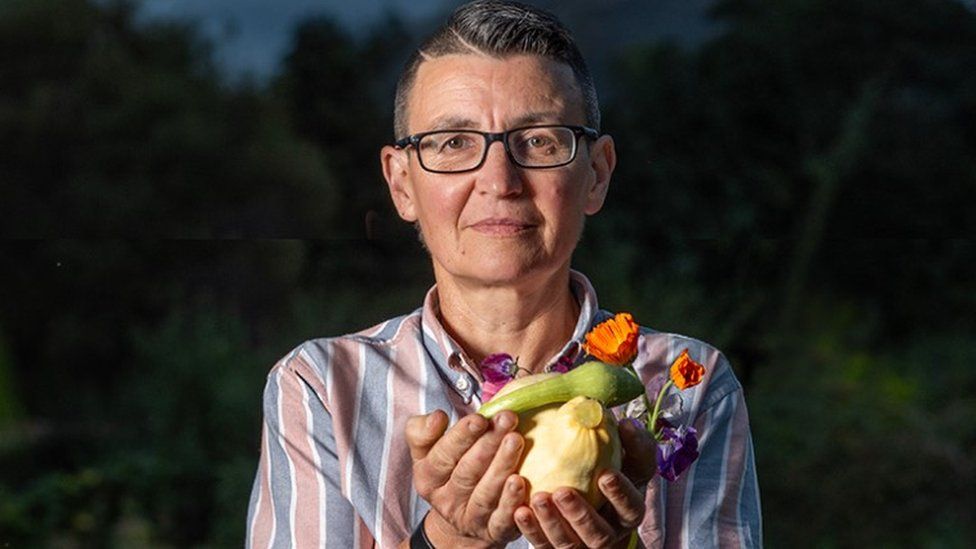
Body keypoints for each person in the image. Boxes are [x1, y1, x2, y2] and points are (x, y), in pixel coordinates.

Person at [246, 1, 762, 547]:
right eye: (453, 143)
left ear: (597, 174)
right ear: (401, 184)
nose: (499, 180)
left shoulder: (689, 385)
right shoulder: (323, 387)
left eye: (539, 140)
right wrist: (446, 539)